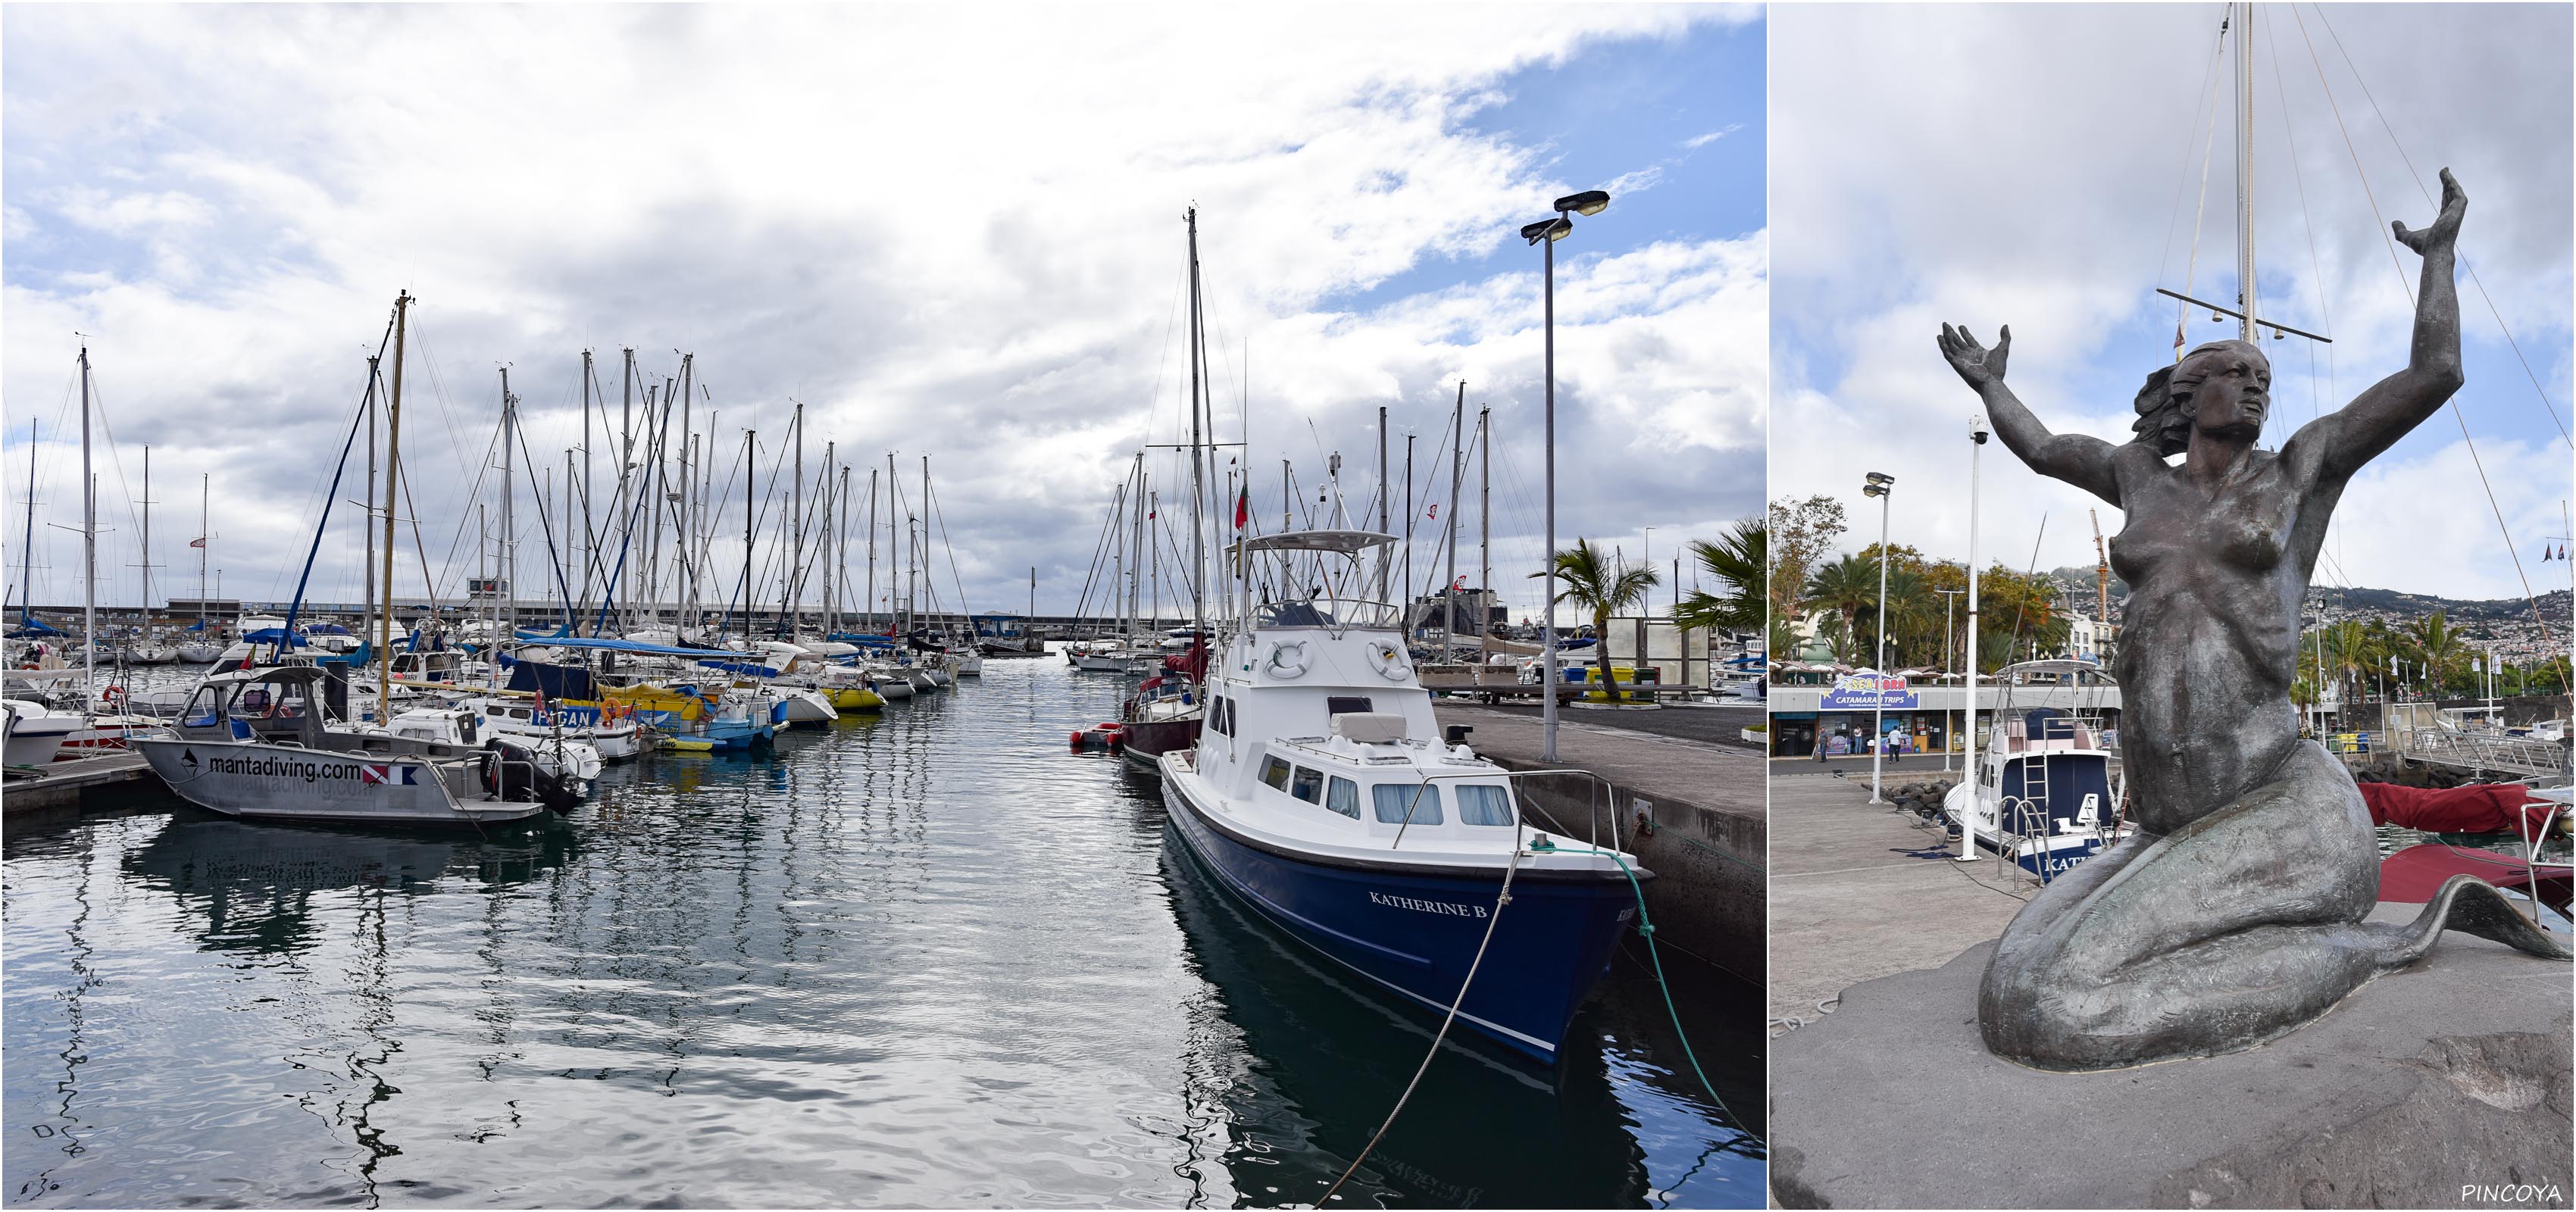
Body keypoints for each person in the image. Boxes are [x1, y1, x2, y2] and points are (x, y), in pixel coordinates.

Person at [1936, 169, 2564, 1072]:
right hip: (2173, 826)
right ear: (2188, 396)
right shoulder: (2132, 474)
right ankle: (2353, 944)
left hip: (2285, 806)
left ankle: (2377, 948)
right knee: (2014, 982)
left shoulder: (2297, 467)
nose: (2257, 385)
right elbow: (2039, 449)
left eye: (2264, 376)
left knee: (2053, 1010)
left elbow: (2436, 373)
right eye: (2236, 372)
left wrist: (2438, 259)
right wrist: (1990, 387)